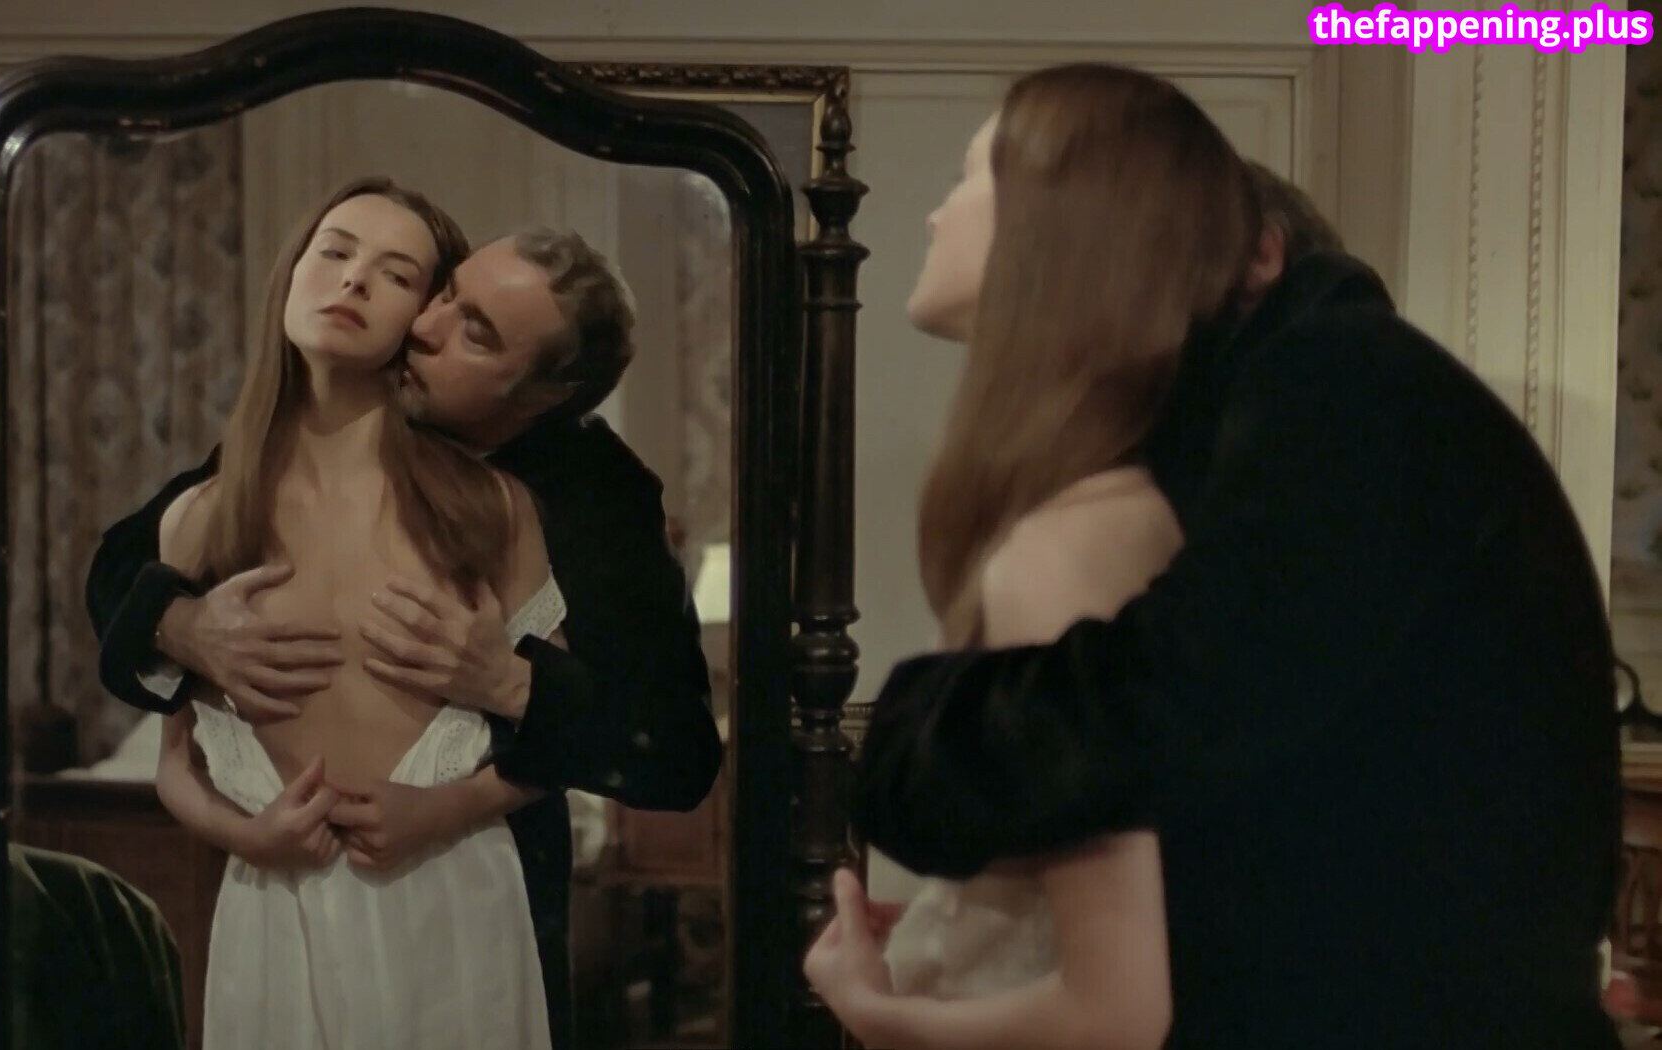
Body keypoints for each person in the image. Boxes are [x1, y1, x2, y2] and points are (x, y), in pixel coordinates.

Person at [812, 62, 1622, 1050]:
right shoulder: (1230, 439)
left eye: (976, 172)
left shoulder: (1339, 381)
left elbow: (1183, 692)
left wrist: (906, 748)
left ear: (1253, 254)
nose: (936, 211)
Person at [86, 223, 722, 1046]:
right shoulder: (338, 423)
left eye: (476, 332)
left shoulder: (596, 496)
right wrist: (188, 628)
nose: (424, 325)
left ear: (541, 395)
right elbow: (120, 567)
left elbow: (675, 753)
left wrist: (510, 687)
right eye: (446, 293)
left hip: (480, 889)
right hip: (287, 898)